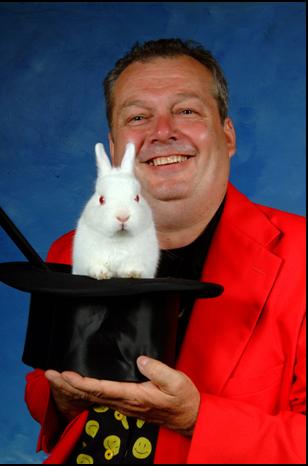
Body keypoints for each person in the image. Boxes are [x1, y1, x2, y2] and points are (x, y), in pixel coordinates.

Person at [24, 38, 306, 464]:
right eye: (138, 117)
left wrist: (195, 418)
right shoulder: (71, 248)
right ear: (115, 150)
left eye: (187, 111)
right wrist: (61, 398)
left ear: (228, 135)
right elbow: (48, 389)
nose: (162, 132)